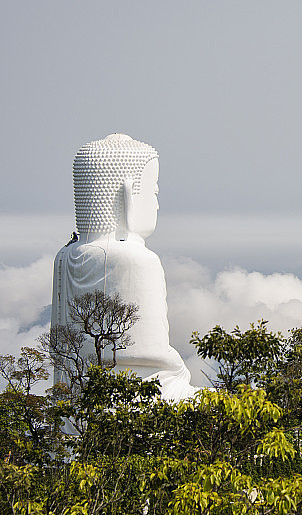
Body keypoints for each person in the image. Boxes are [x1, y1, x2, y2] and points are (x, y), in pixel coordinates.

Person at [51, 134, 196, 400]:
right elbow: (149, 352)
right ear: (129, 197)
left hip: (74, 389)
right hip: (134, 392)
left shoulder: (65, 256)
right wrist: (177, 364)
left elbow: (58, 345)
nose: (157, 203)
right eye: (154, 193)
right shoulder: (137, 259)